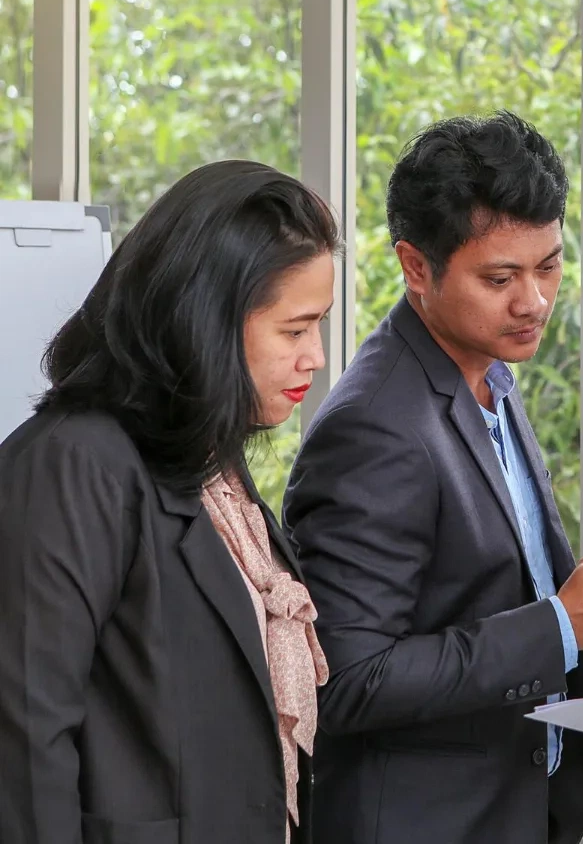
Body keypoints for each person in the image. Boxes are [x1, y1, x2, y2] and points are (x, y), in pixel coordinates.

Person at [283, 111, 583, 844]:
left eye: (549, 266)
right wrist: (561, 625)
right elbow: (343, 679)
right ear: (416, 267)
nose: (534, 301)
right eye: (500, 278)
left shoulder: (487, 374)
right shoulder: (375, 426)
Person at [0, 161, 338, 844]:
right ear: (206, 321)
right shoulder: (73, 463)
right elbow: (25, 739)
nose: (317, 357)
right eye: (295, 330)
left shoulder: (209, 458)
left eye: (320, 326)